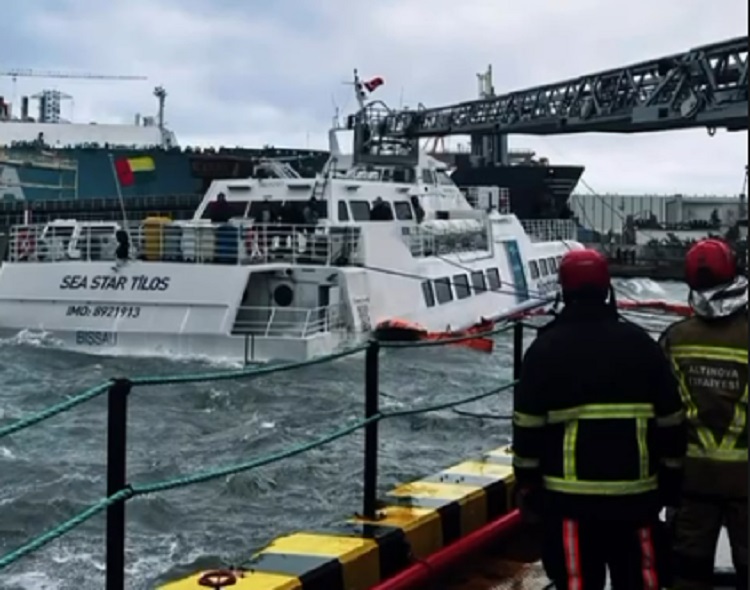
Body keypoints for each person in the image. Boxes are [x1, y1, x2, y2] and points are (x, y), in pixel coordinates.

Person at [512, 248, 687, 589]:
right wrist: (669, 480)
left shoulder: (544, 350)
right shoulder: (641, 344)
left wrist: (528, 485)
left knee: (577, 582)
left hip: (569, 504)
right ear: (608, 289)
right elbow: (672, 421)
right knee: (639, 581)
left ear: (564, 290)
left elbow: (527, 428)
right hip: (636, 501)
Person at [659, 238, 748, 590]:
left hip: (691, 480)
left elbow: (661, 411)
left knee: (687, 573)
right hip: (746, 482)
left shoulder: (675, 339)